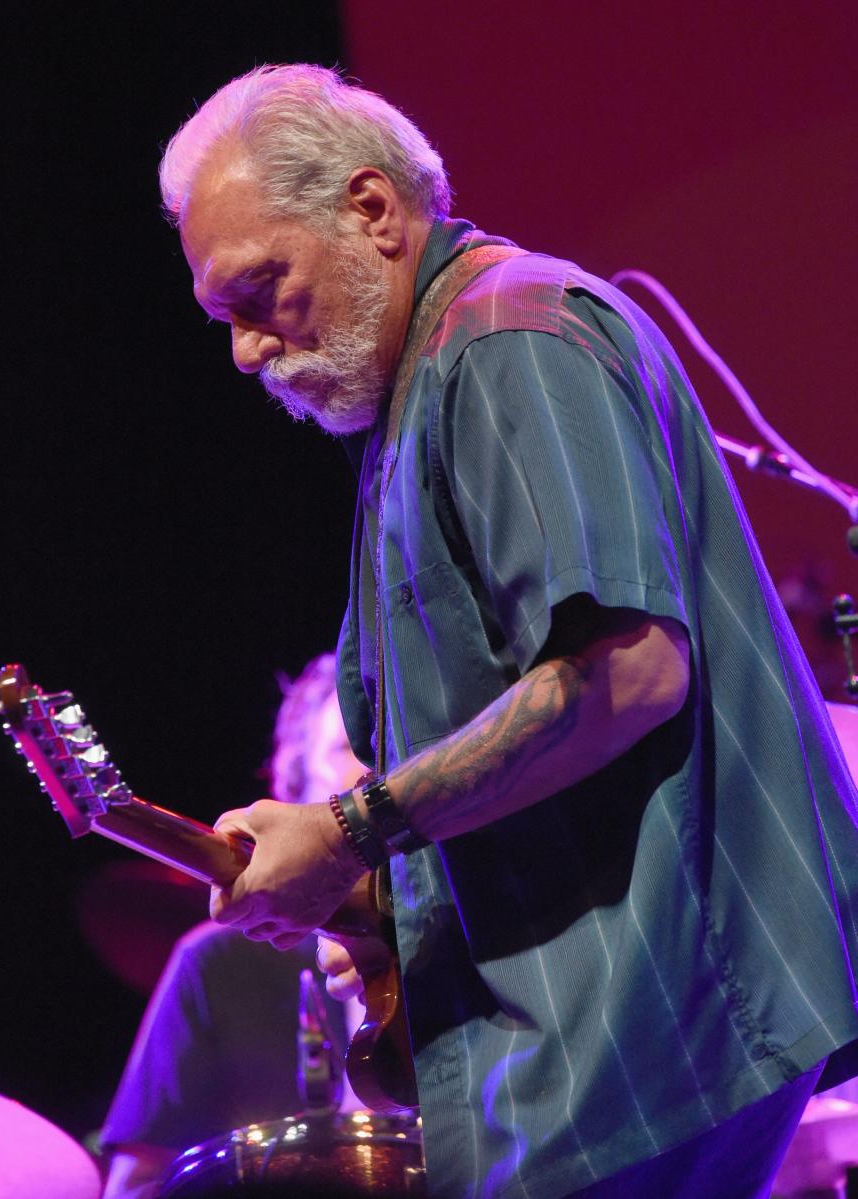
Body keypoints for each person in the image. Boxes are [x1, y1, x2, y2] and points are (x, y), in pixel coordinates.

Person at [157, 64, 858, 1198]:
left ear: (374, 212)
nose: (245, 350)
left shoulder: (506, 341)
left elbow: (625, 676)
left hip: (644, 1037)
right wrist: (370, 895)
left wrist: (349, 829)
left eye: (259, 291)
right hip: (593, 1052)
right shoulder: (420, 388)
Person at [100, 654, 365, 1199]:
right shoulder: (217, 964)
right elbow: (136, 1187)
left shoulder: (475, 929)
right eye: (348, 747)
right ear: (295, 790)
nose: (375, 771)